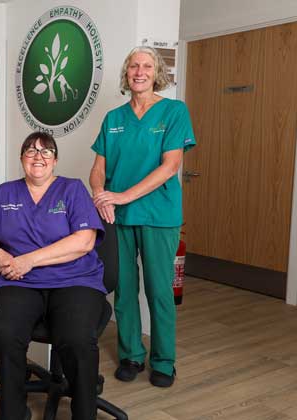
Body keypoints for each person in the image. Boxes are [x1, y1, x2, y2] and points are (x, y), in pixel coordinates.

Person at [0, 132, 106, 420]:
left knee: (77, 338)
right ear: (21, 159)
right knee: (4, 334)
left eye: (46, 152)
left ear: (55, 161)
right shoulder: (4, 193)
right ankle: (14, 411)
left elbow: (84, 241)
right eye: (31, 151)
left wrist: (29, 260)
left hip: (74, 280)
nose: (38, 157)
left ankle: (84, 414)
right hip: (21, 282)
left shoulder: (73, 190)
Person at [89, 46, 195, 388]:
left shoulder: (174, 112)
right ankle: (131, 355)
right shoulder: (113, 119)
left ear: (156, 72)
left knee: (159, 289)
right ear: (126, 72)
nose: (139, 71)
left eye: (147, 66)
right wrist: (100, 196)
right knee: (123, 288)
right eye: (133, 65)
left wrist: (121, 196)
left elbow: (170, 166)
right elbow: (98, 169)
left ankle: (164, 360)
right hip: (118, 218)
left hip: (159, 215)